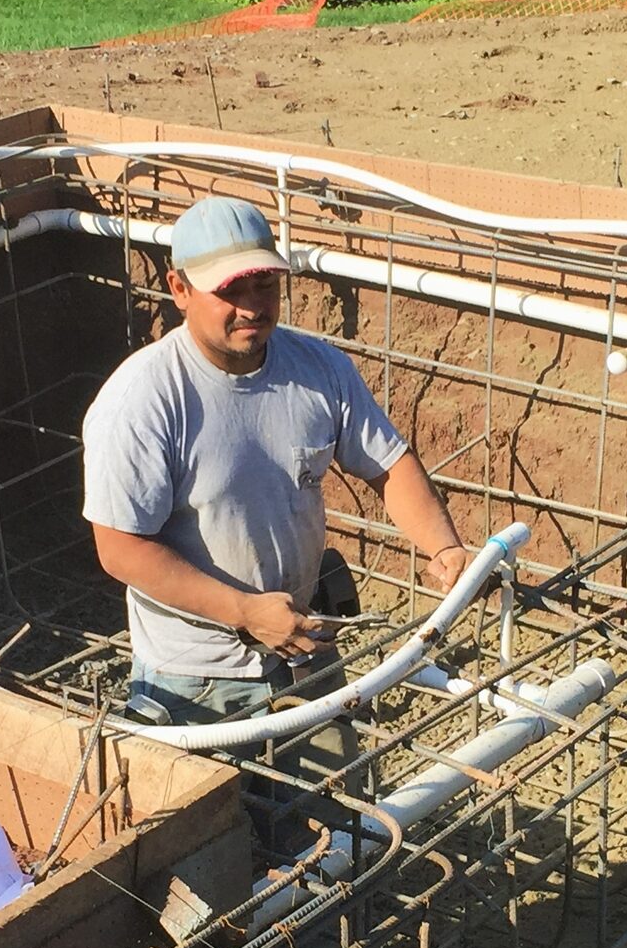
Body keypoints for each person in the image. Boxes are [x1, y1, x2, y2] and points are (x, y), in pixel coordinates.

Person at [82, 196, 467, 731]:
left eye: (264, 285)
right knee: (214, 814)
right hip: (197, 678)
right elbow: (120, 548)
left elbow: (389, 463)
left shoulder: (318, 369)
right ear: (179, 290)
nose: (252, 306)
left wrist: (442, 545)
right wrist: (245, 612)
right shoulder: (144, 400)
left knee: (335, 807)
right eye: (229, 290)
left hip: (304, 646)